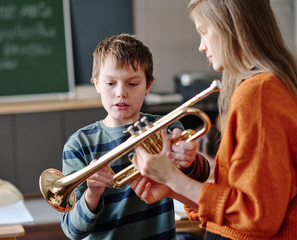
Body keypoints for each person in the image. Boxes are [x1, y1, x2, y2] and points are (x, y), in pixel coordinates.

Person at [131, 0, 297, 239]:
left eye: (203, 31)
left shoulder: (259, 92)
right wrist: (172, 189)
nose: (201, 46)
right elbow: (235, 206)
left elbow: (256, 216)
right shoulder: (267, 86)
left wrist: (173, 177)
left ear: (229, 26)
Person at [60, 33, 210, 240]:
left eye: (132, 84)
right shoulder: (79, 145)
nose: (121, 93)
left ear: (148, 85)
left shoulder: (167, 128)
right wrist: (92, 195)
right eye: (110, 83)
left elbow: (198, 180)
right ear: (96, 84)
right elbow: (72, 231)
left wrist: (190, 162)